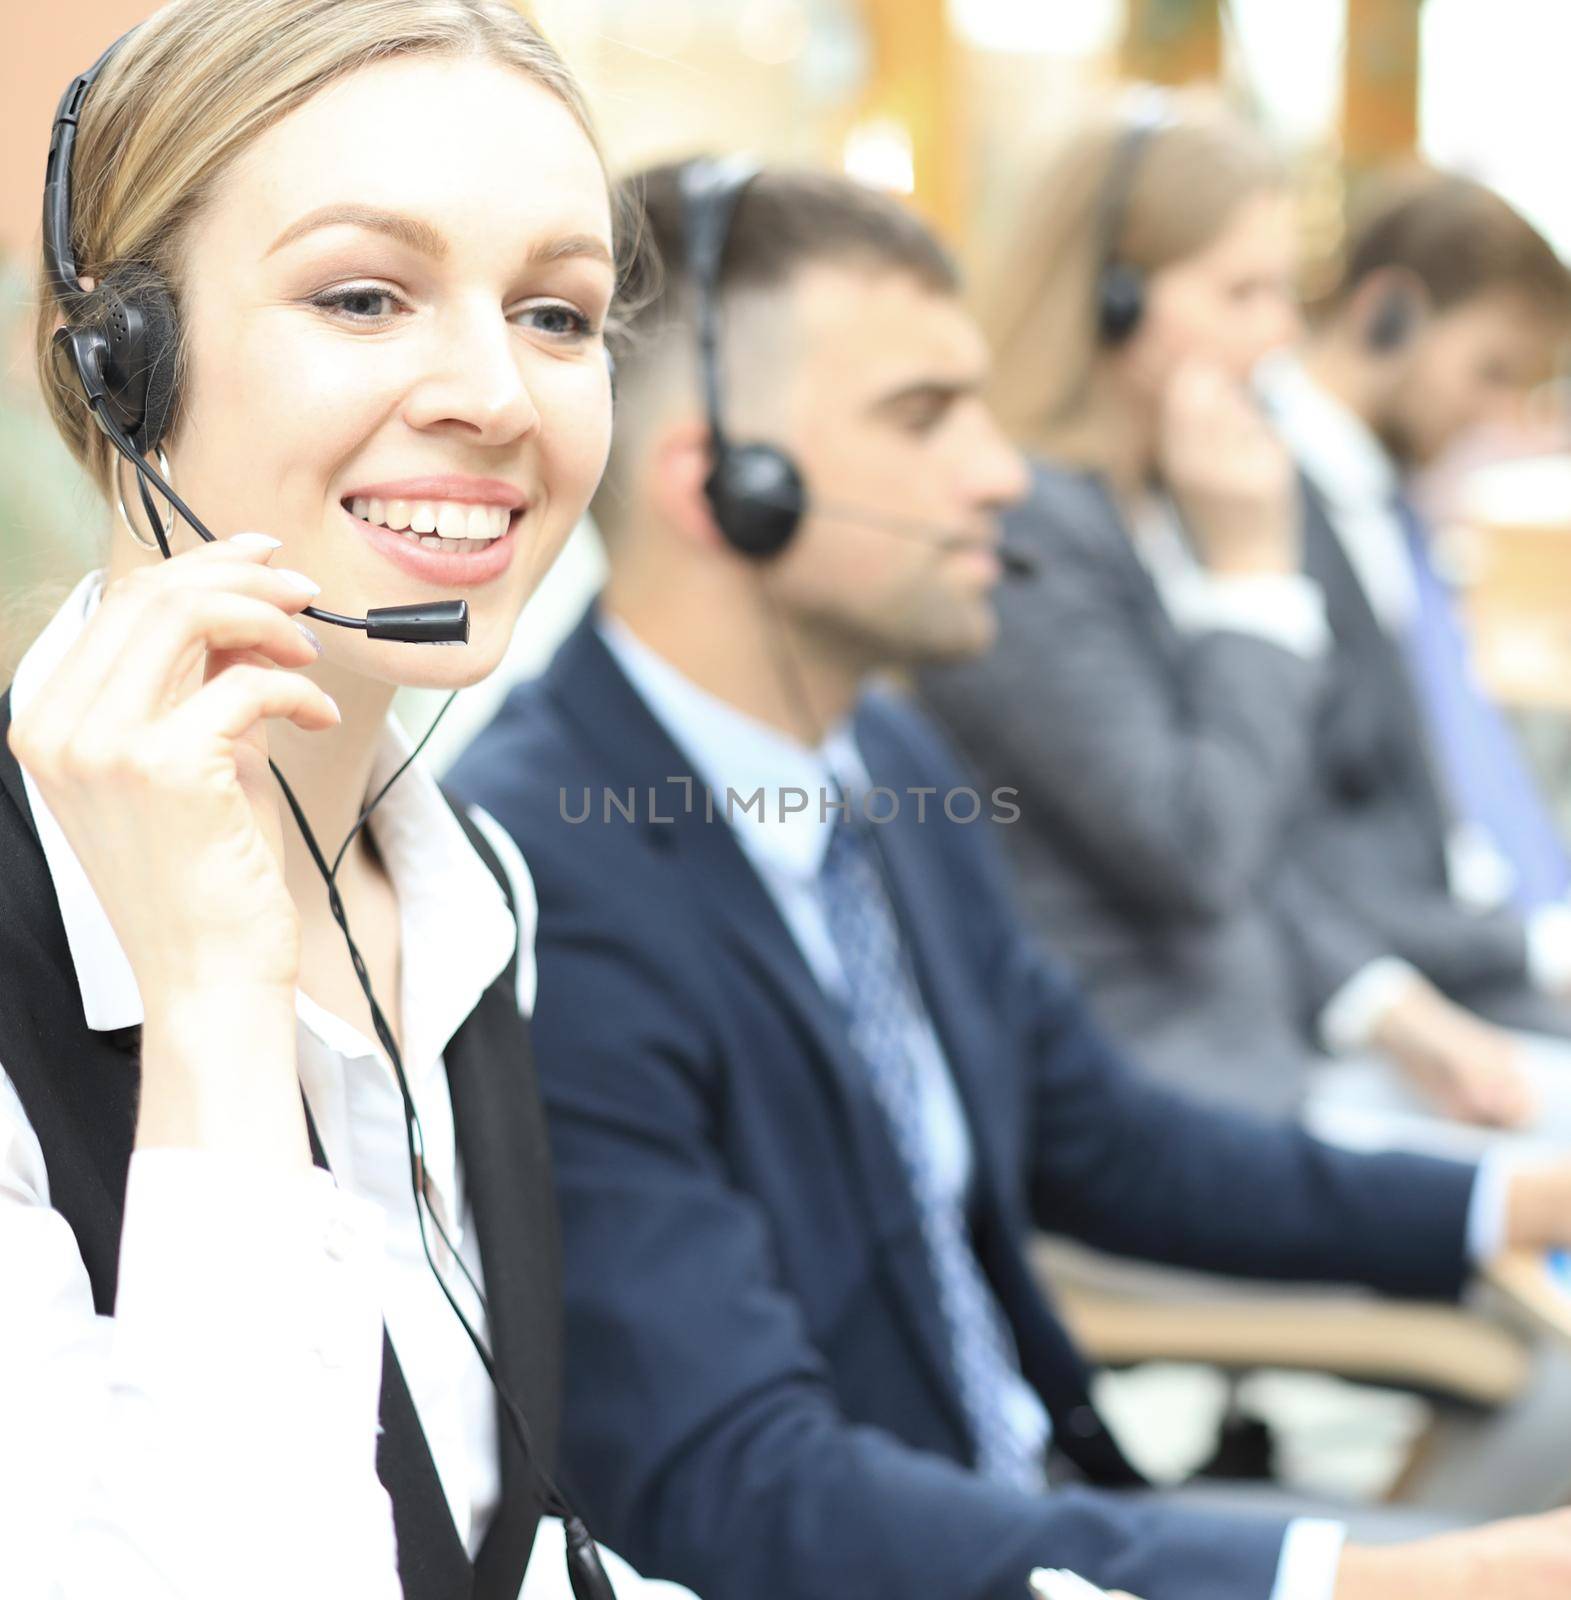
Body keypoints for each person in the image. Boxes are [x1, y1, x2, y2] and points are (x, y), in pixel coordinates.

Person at [453, 158, 1571, 1600]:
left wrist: (1516, 1205)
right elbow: (745, 1496)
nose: (999, 470)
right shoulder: (546, 875)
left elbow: (1104, 1141)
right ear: (726, 485)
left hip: (1030, 1517)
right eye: (924, 416)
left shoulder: (887, 767)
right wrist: (1394, 1582)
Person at [0, 5, 690, 1598]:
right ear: (121, 365)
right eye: (362, 295)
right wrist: (214, 1009)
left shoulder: (469, 896)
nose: (496, 394)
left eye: (556, 315)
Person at [918, 94, 1562, 1135]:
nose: (1279, 335)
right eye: (1241, 293)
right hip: (1160, 1102)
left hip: (1267, 1056)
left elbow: (1265, 847)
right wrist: (1254, 575)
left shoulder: (1157, 509)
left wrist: (1395, 1015)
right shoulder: (1024, 533)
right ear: (1109, 298)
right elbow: (1198, 848)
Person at [1262, 168, 1571, 1140]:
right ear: (1386, 312)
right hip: (1379, 1007)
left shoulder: (1390, 515)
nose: (1494, 420)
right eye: (1488, 372)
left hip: (1474, 964)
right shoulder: (1258, 504)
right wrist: (1529, 948)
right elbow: (1284, 846)